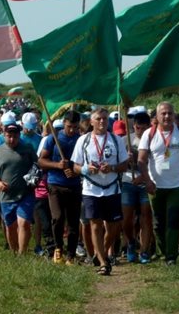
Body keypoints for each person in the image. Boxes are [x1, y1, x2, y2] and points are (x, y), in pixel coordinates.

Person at [138, 102, 179, 265]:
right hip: (155, 186)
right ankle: (162, 251)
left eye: (170, 113)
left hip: (177, 185)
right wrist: (148, 181)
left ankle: (171, 256)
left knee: (173, 219)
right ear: (157, 116)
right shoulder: (148, 134)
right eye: (163, 113)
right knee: (158, 222)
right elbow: (141, 161)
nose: (167, 116)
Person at [71, 107, 129, 276]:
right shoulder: (83, 140)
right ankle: (104, 263)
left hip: (112, 187)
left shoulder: (116, 140)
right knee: (95, 225)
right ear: (91, 121)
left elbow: (125, 165)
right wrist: (86, 169)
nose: (102, 121)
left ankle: (100, 252)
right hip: (91, 189)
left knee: (113, 227)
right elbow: (74, 166)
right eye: (98, 119)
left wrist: (111, 167)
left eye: (105, 118)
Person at [0, 120, 37, 254]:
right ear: (4, 135)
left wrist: (34, 178)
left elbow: (37, 165)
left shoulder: (27, 148)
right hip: (7, 195)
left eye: (15, 136)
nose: (12, 139)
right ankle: (14, 251)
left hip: (25, 193)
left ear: (19, 135)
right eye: (9, 136)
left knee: (24, 223)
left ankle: (22, 253)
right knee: (10, 226)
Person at [38, 111, 82, 264]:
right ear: (64, 123)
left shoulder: (81, 140)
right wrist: (57, 165)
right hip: (55, 184)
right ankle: (58, 248)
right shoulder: (53, 139)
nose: (72, 130)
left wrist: (76, 172)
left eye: (75, 127)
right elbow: (41, 161)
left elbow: (85, 164)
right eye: (69, 126)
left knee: (73, 221)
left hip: (74, 185)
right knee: (57, 218)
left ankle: (71, 254)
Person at [121, 111, 153, 264]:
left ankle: (145, 251)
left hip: (146, 182)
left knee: (146, 217)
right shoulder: (124, 140)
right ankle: (131, 243)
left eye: (143, 128)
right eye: (137, 128)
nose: (140, 131)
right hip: (128, 182)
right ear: (133, 126)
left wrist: (143, 177)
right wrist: (126, 161)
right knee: (127, 219)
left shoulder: (154, 141)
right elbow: (118, 165)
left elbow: (157, 163)